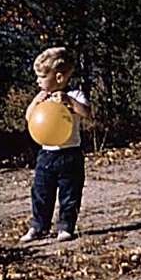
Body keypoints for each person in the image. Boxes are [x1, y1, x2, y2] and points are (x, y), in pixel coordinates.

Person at [20, 47, 92, 243]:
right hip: (46, 154)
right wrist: (36, 102)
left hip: (71, 155)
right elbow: (29, 117)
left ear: (59, 78)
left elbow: (86, 112)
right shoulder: (41, 98)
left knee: (70, 194)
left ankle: (66, 226)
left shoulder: (75, 95)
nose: (38, 81)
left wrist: (68, 101)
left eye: (42, 77)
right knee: (41, 193)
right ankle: (38, 226)